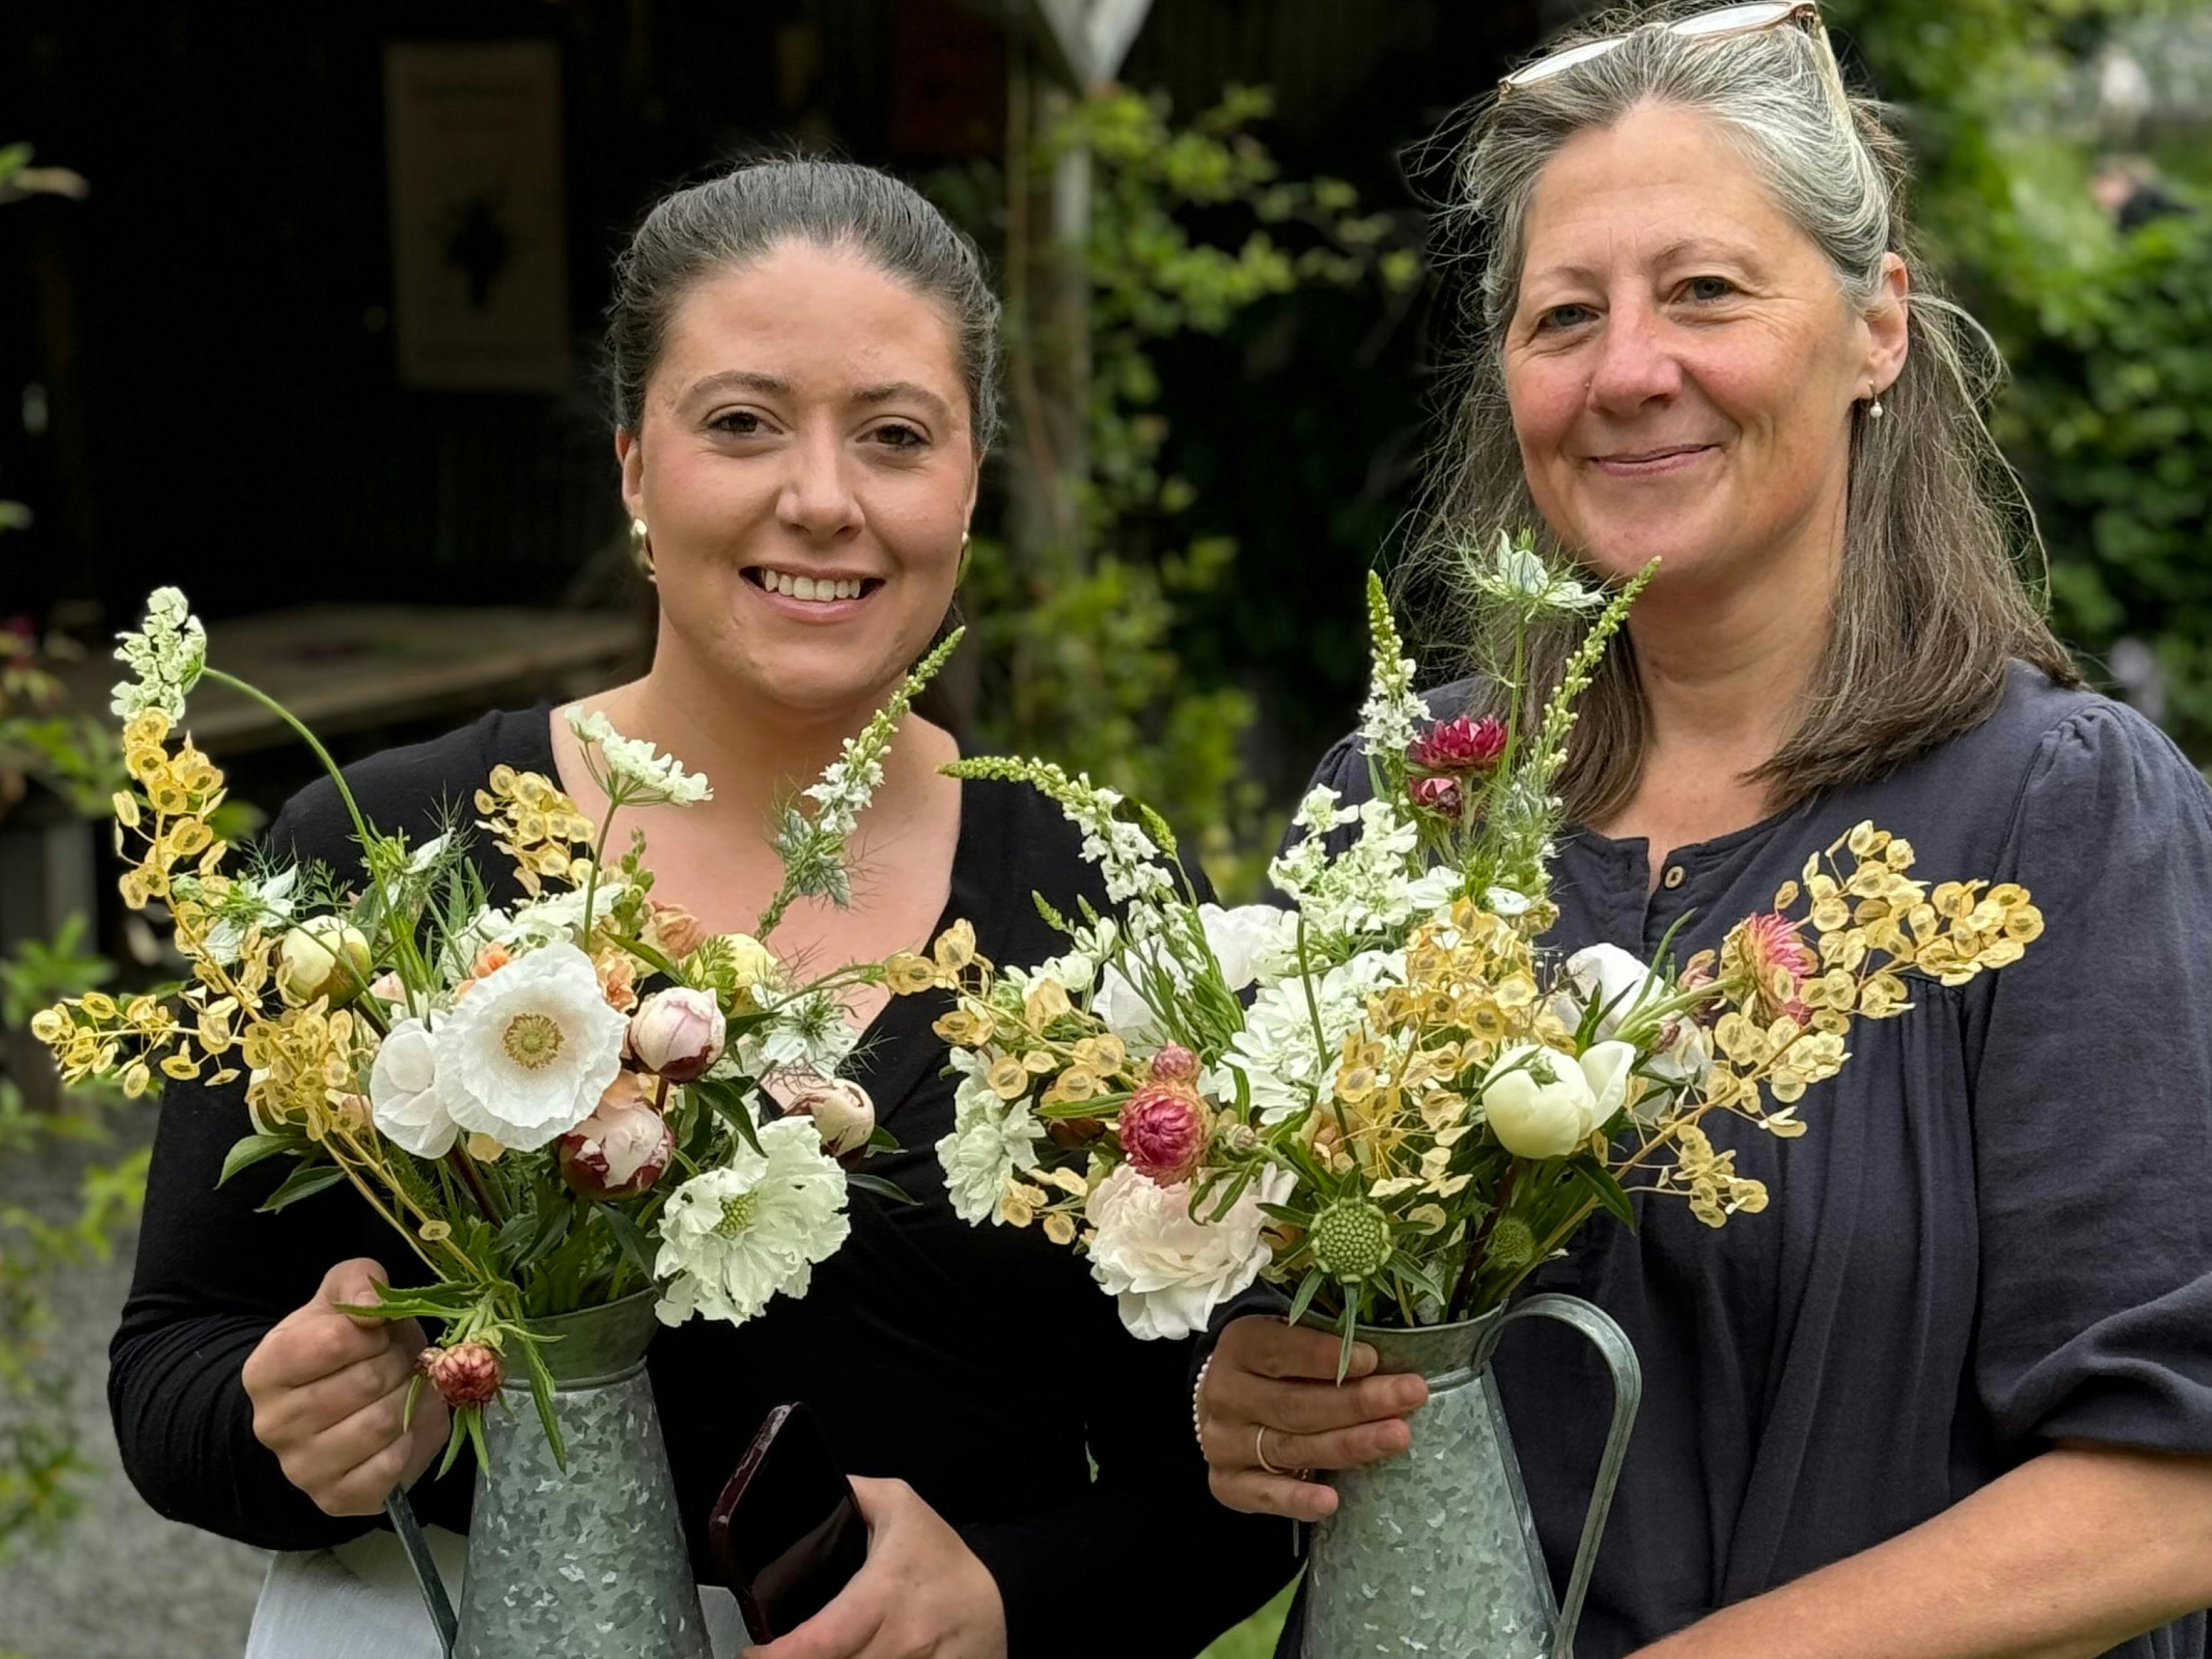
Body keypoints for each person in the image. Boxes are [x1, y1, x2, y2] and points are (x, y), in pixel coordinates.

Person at [110, 159, 1291, 1659]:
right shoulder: (385, 847)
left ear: (968, 482)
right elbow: (170, 1367)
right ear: (630, 467)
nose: (819, 496)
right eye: (740, 423)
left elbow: (1234, 1454)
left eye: (894, 436)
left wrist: (1009, 1596)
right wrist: (276, 1420)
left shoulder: (1098, 894)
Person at [1195, 7, 2212, 1658]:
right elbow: (1300, 1342)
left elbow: (2173, 1485)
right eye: (1562, 315)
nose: (1626, 370)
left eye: (1705, 293)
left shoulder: (2057, 821)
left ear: (1874, 323)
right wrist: (1253, 1399)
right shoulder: (1402, 807)